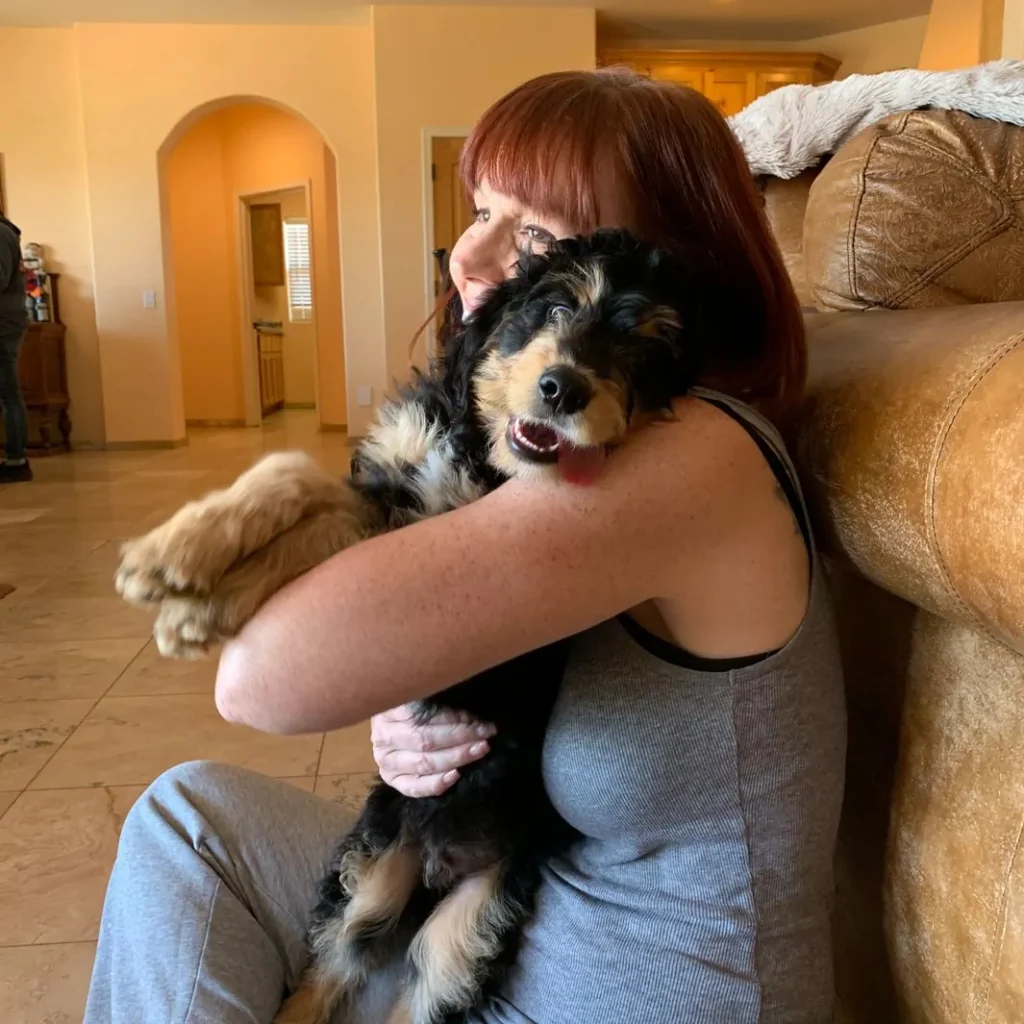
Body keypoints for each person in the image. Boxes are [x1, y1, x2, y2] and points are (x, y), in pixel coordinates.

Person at [85, 68, 845, 1024]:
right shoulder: (591, 439)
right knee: (186, 819)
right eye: (481, 211)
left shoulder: (684, 454)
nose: (472, 254)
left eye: (532, 233)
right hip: (517, 921)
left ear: (660, 266)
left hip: (627, 992)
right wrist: (409, 714)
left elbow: (263, 680)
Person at [0, 213, 31, 483]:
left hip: (3, 326)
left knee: (8, 395)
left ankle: (16, 460)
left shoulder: (0, 234)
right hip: (7, 322)